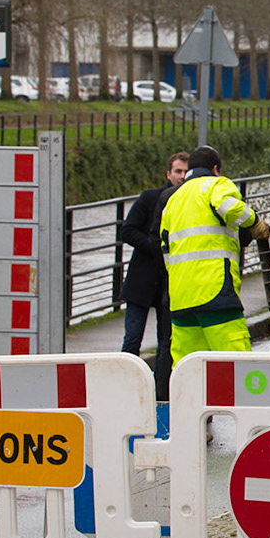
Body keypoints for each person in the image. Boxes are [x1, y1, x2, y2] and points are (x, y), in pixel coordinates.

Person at [158, 145, 269, 365]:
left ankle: (188, 401)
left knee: (188, 368)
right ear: (216, 168)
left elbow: (165, 248)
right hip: (215, 290)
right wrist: (256, 222)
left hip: (181, 296)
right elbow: (230, 208)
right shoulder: (216, 184)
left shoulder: (174, 198)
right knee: (237, 363)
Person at [119, 151, 188, 402]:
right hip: (142, 280)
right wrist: (153, 245)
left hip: (169, 284)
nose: (181, 176)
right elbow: (127, 231)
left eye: (185, 172)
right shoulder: (150, 198)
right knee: (132, 338)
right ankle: (125, 389)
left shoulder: (189, 201)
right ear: (168, 174)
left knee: (166, 341)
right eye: (177, 171)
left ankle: (161, 393)